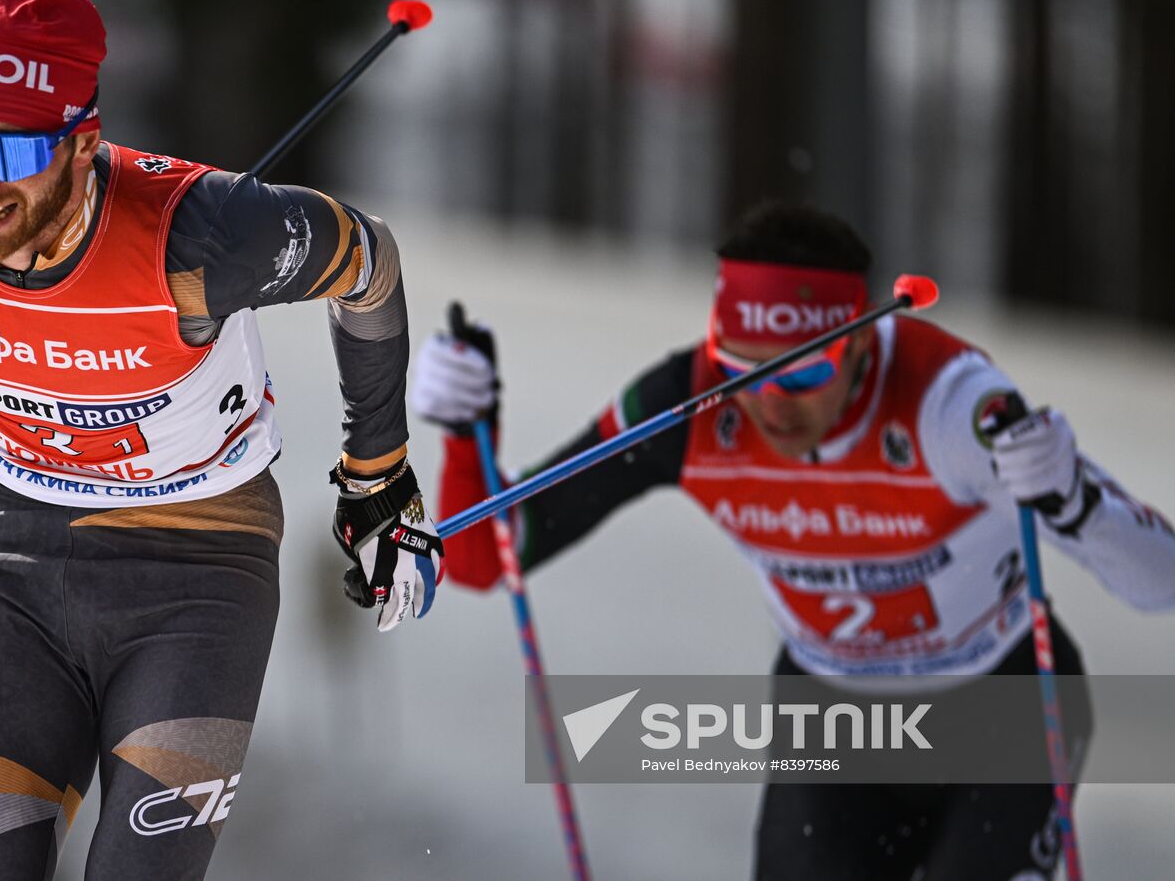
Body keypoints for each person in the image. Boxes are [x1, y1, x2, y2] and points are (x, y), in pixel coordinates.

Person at [0, 0, 442, 880]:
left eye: (17, 155)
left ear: (84, 145)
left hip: (194, 570)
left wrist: (377, 477)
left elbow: (368, 263)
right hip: (11, 560)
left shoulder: (202, 240)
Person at [412, 201, 1175, 880]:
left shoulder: (949, 405)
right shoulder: (688, 402)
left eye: (805, 374)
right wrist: (461, 436)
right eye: (745, 371)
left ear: (864, 345)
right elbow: (485, 558)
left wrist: (1072, 499)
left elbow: (1160, 579)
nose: (773, 404)